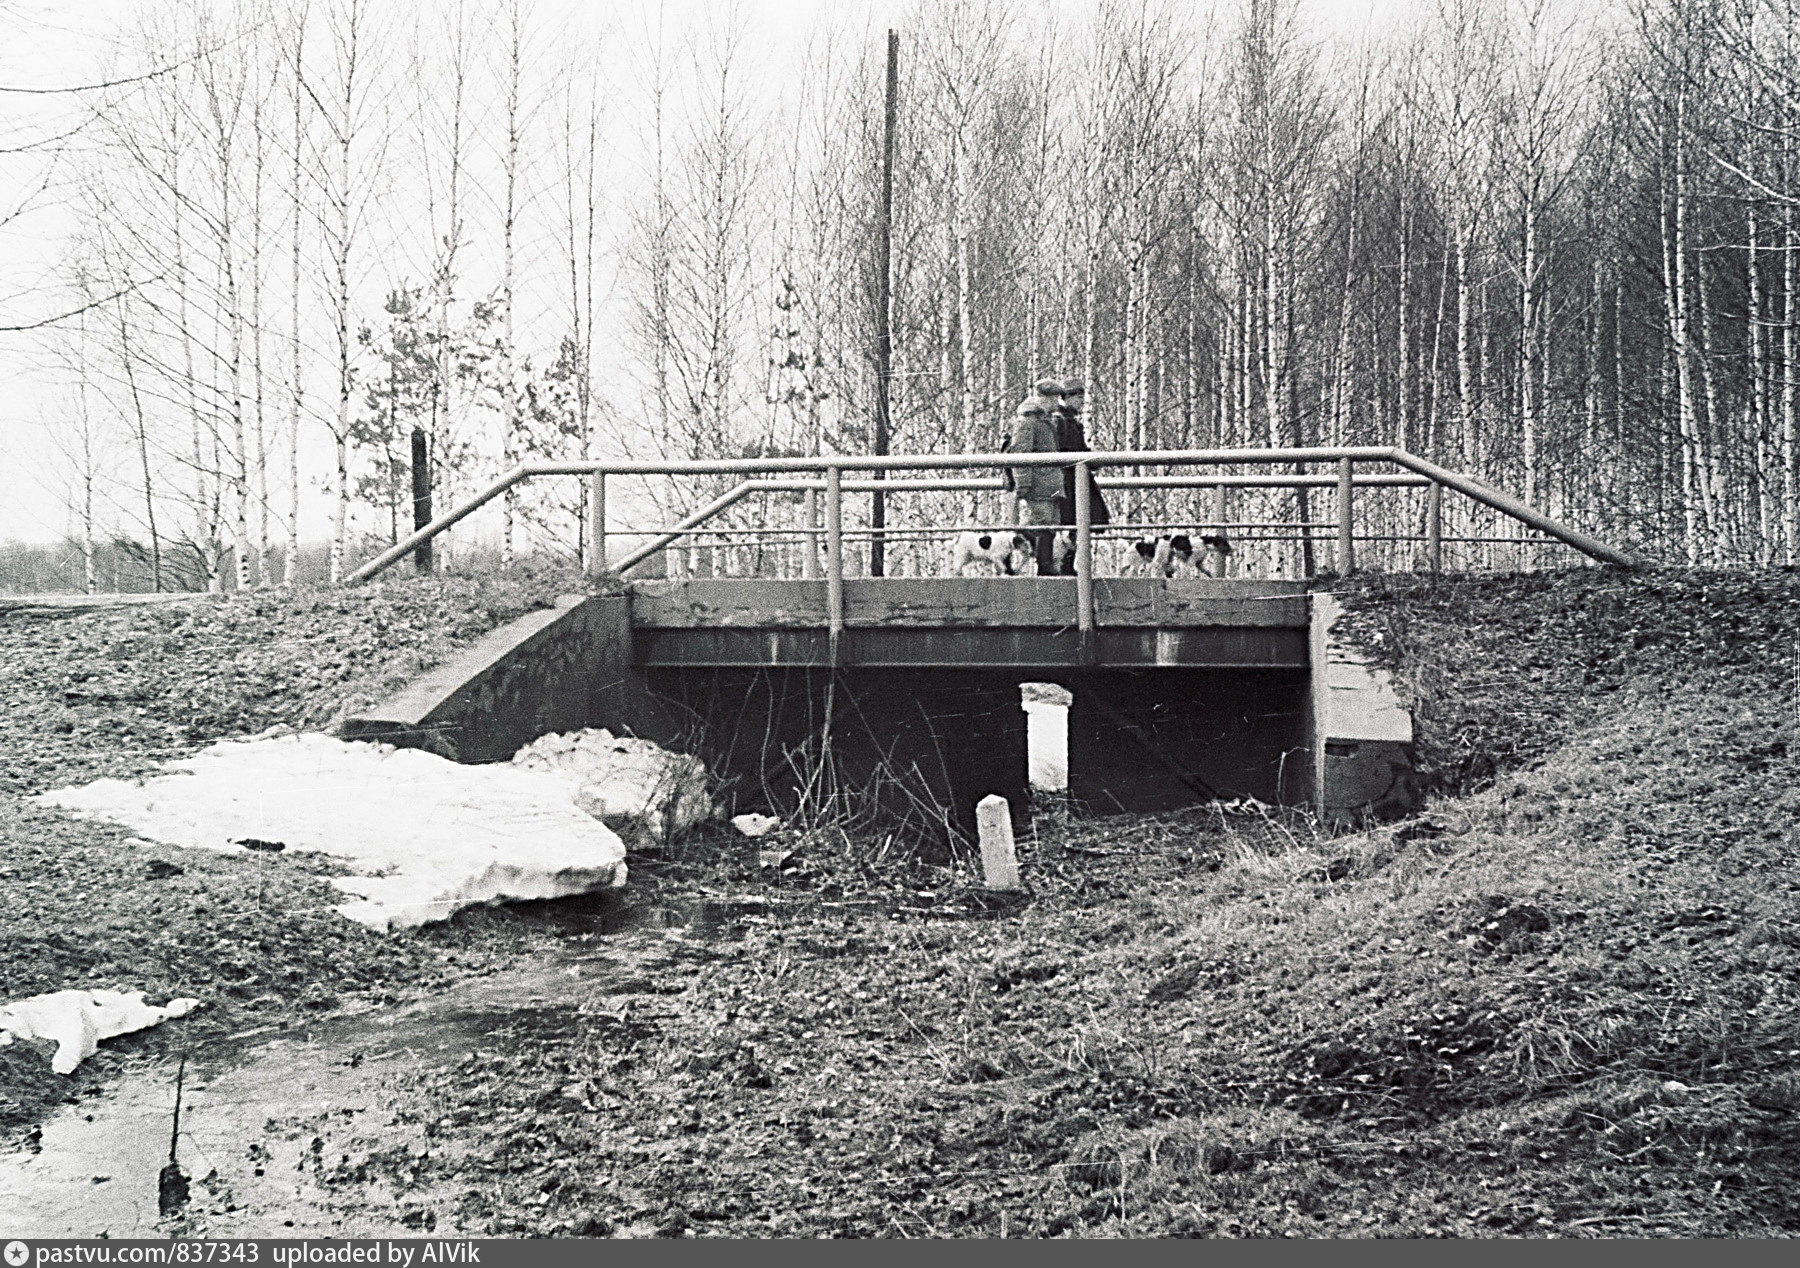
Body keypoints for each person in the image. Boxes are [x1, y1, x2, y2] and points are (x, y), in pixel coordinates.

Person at [1049, 378, 1109, 574]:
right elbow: (1062, 450)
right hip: (1070, 479)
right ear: (1070, 397)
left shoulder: (1067, 419)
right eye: (1079, 397)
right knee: (1073, 520)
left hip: (1075, 477)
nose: (1082, 402)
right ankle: (1065, 565)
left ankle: (1068, 565)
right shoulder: (1062, 420)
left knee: (1077, 521)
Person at [1001, 394, 1064, 575]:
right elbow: (1021, 454)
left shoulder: (1044, 422)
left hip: (1048, 482)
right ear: (1042, 399)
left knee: (1049, 524)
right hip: (1039, 482)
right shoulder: (1027, 422)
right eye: (1052, 398)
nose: (1055, 403)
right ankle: (1044, 566)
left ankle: (1045, 564)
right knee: (1042, 522)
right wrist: (1023, 483)